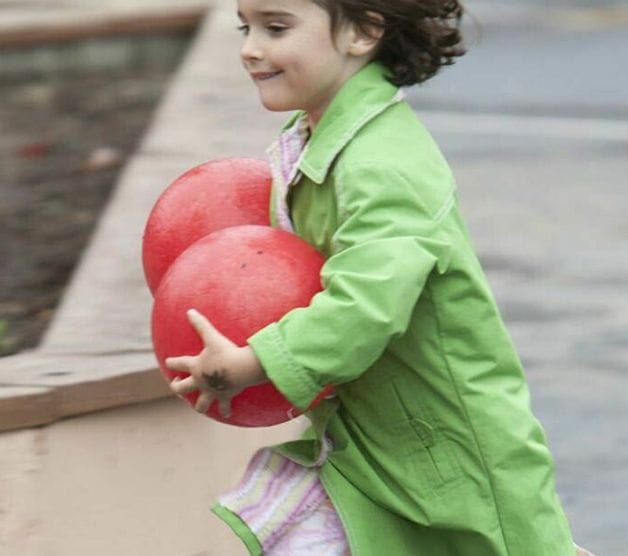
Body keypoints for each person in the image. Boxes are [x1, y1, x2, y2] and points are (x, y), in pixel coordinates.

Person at [166, 0, 592, 554]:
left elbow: (368, 300)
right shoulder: (320, 140)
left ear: (363, 32)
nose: (250, 47)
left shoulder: (383, 162)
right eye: (246, 28)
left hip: (450, 450)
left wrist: (256, 362)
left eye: (277, 28)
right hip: (370, 442)